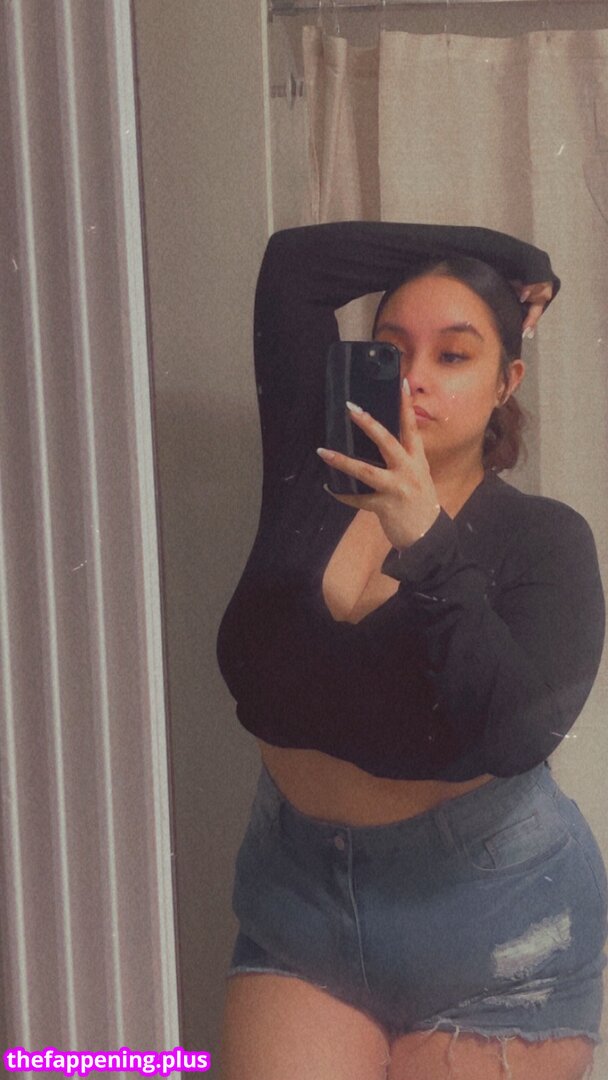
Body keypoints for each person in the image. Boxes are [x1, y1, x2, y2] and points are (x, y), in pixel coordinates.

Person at [216, 222, 607, 1080]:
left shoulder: (544, 540)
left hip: (493, 928)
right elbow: (295, 265)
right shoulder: (312, 468)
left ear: (507, 381)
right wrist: (511, 263)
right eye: (391, 351)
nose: (415, 377)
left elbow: (516, 733)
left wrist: (426, 541)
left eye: (455, 355)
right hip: (297, 906)